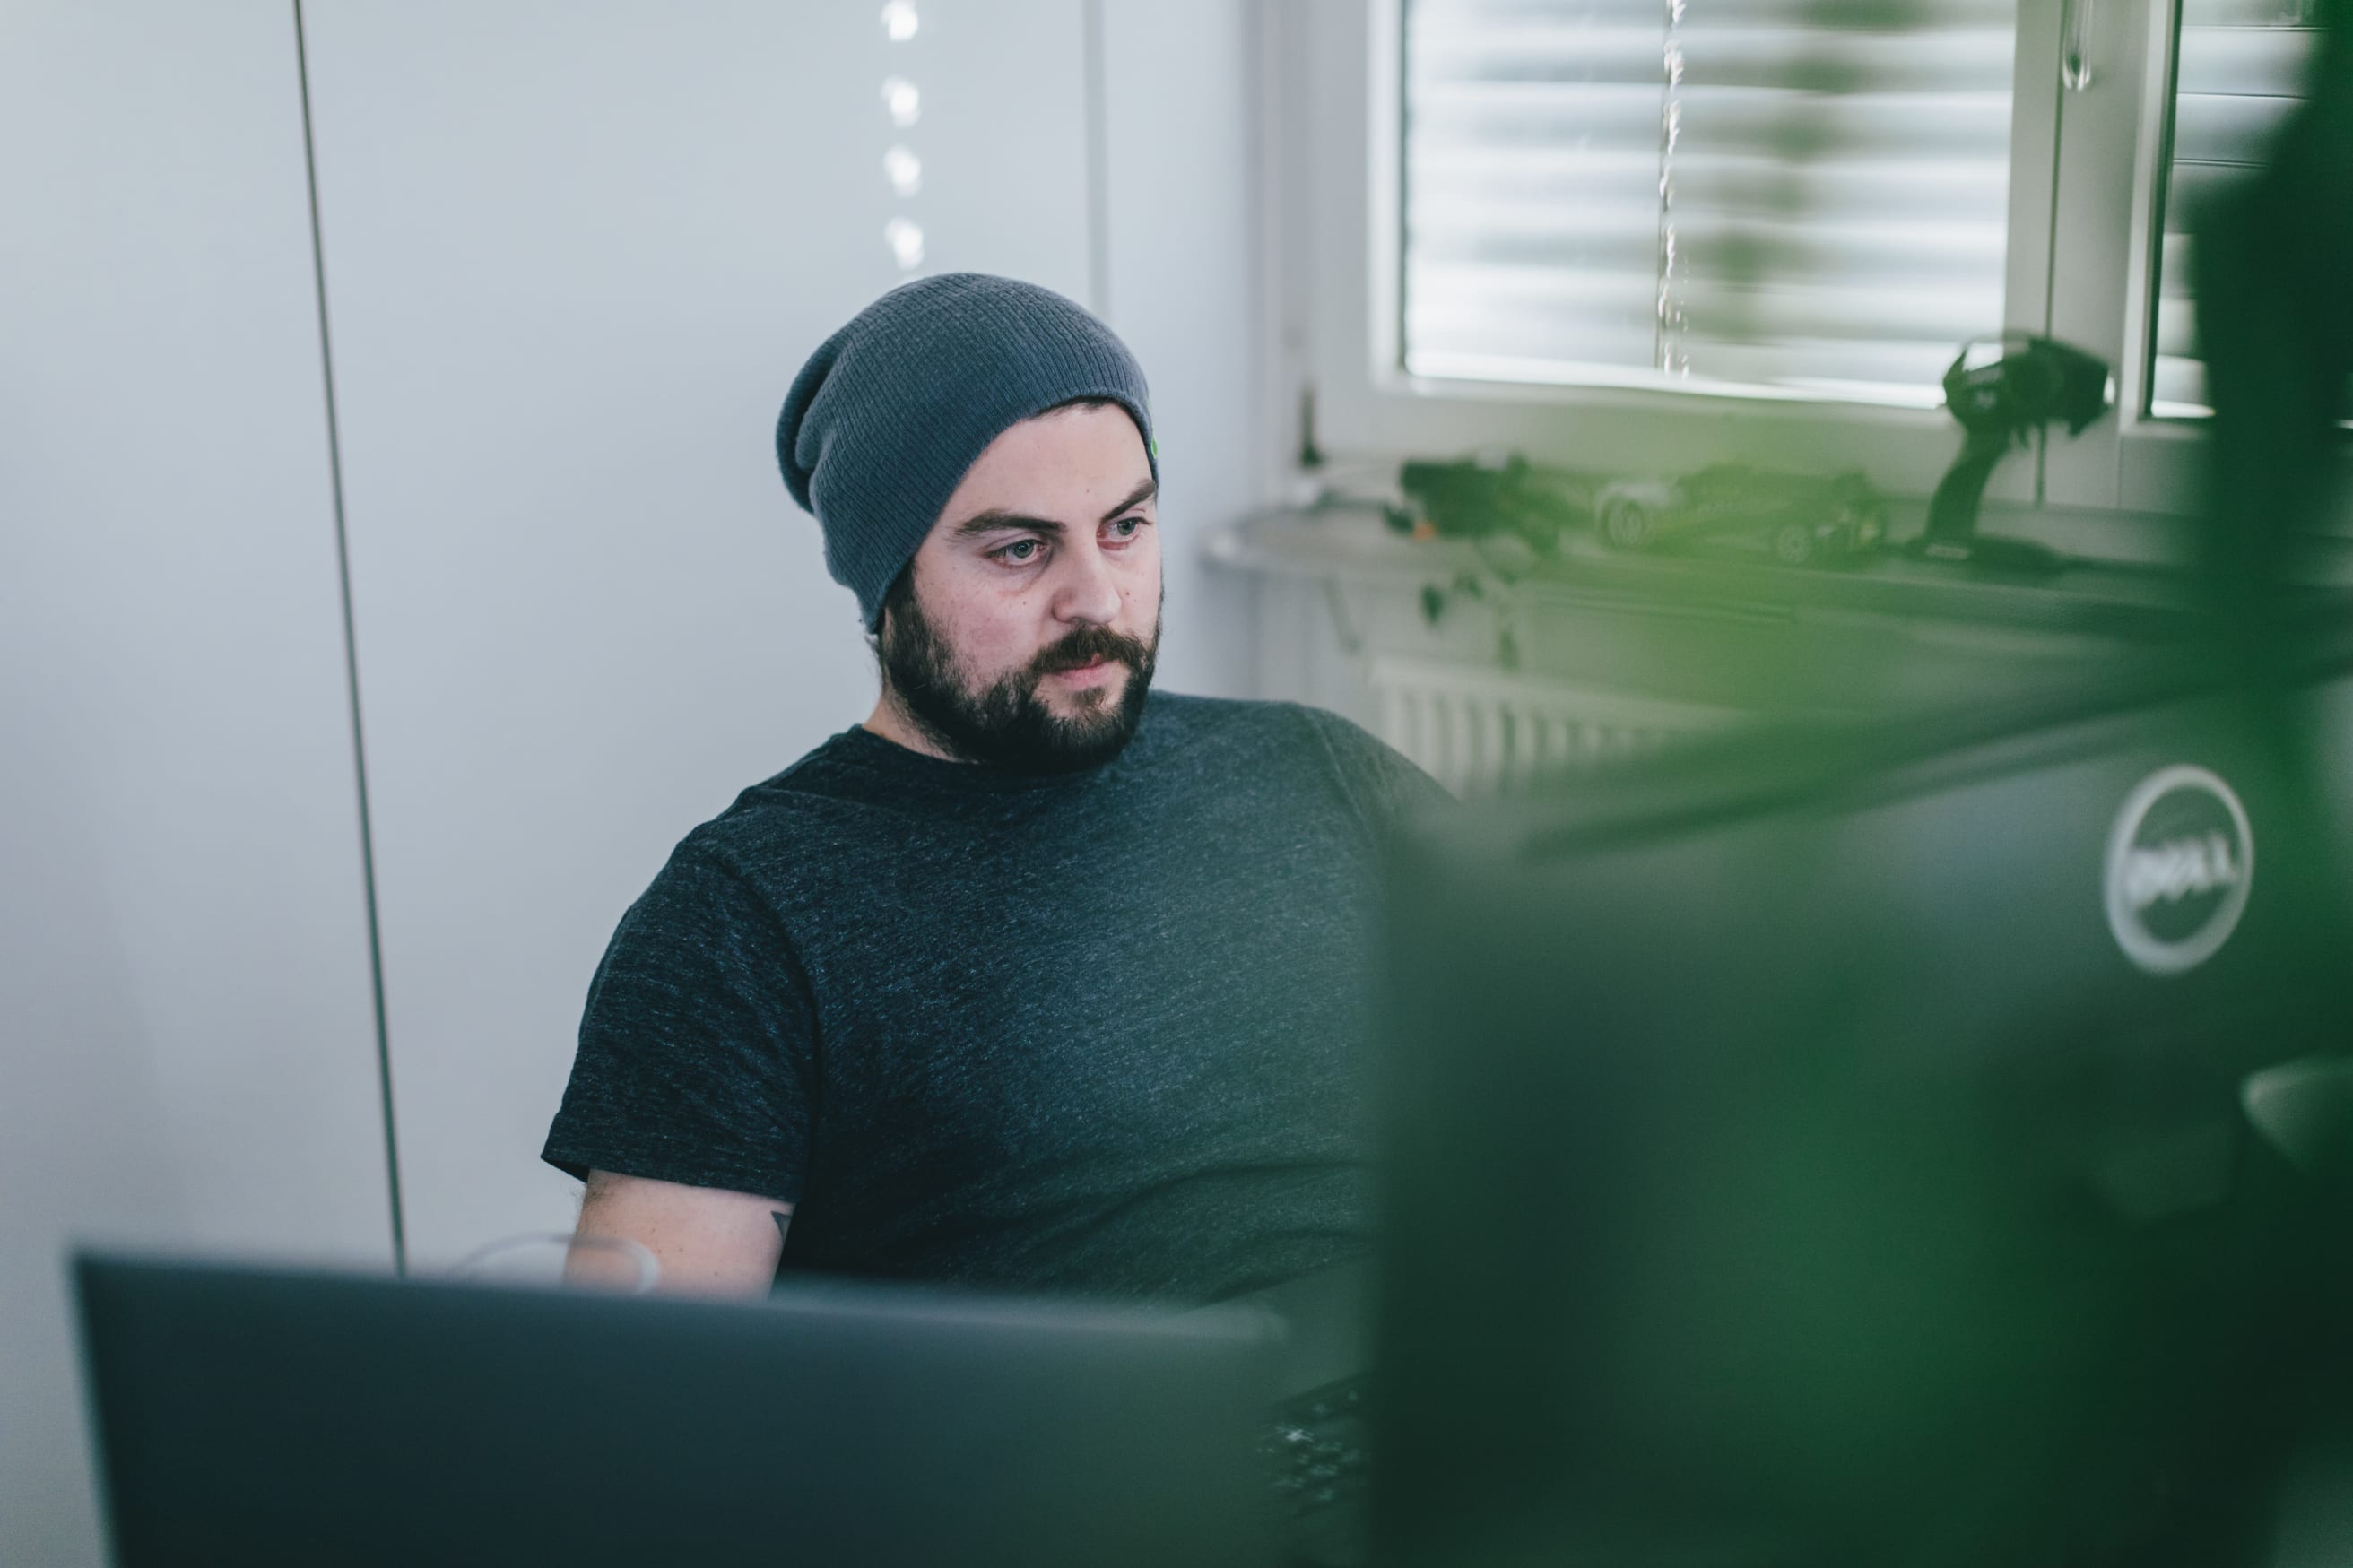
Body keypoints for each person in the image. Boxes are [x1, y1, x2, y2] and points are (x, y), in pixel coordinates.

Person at [541, 273, 1445, 1302]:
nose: (1096, 599)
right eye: (1020, 549)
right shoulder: (743, 919)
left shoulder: (1315, 773)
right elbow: (648, 1402)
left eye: (1125, 528)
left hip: (1445, 1401)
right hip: (1077, 1448)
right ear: (887, 586)